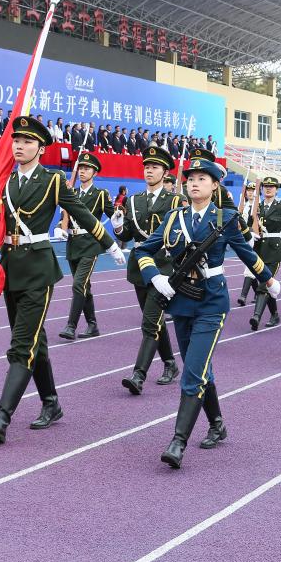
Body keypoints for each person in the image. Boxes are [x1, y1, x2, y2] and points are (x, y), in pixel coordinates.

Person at [0, 116, 125, 444]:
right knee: (34, 341)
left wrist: (110, 244)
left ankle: (2, 417)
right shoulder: (4, 180)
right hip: (11, 268)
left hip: (39, 270)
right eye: (16, 141)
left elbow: (81, 213)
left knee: (21, 345)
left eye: (27, 142)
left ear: (41, 148)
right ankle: (51, 403)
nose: (19, 146)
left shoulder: (53, 180)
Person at [134, 156, 281, 468]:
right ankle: (217, 423)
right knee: (200, 368)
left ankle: (178, 442)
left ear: (215, 185)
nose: (194, 183)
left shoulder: (224, 218)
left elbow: (246, 252)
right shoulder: (174, 218)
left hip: (212, 302)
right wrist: (156, 278)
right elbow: (143, 250)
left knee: (192, 374)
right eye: (190, 179)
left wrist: (268, 279)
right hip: (180, 300)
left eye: (202, 178)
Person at [111, 146, 184, 395]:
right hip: (139, 266)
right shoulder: (134, 200)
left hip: (163, 265)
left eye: (155, 167)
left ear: (165, 172)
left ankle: (138, 374)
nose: (149, 171)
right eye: (147, 167)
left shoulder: (174, 201)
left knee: (149, 321)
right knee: (155, 320)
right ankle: (170, 363)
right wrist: (118, 227)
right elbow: (129, 235)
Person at [57, 151, 114, 340]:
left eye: (87, 169)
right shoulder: (71, 193)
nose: (82, 171)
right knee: (84, 287)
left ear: (94, 173)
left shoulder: (100, 194)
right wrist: (60, 227)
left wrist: (121, 219)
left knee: (78, 284)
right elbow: (64, 217)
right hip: (73, 243)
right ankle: (92, 325)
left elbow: (114, 216)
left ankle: (71, 326)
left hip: (91, 243)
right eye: (81, 168)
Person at [249, 176, 281, 330]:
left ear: (276, 190)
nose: (268, 188)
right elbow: (248, 224)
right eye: (266, 186)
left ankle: (256, 316)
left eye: (272, 186)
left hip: (274, 251)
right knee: (268, 285)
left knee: (264, 283)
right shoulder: (257, 206)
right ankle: (275, 314)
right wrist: (250, 232)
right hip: (259, 250)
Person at [236, 182, 260, 306]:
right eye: (249, 190)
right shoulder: (243, 206)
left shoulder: (259, 207)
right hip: (245, 240)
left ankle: (243, 296)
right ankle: (258, 293)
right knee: (252, 267)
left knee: (250, 268)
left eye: (253, 190)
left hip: (257, 241)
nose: (250, 192)